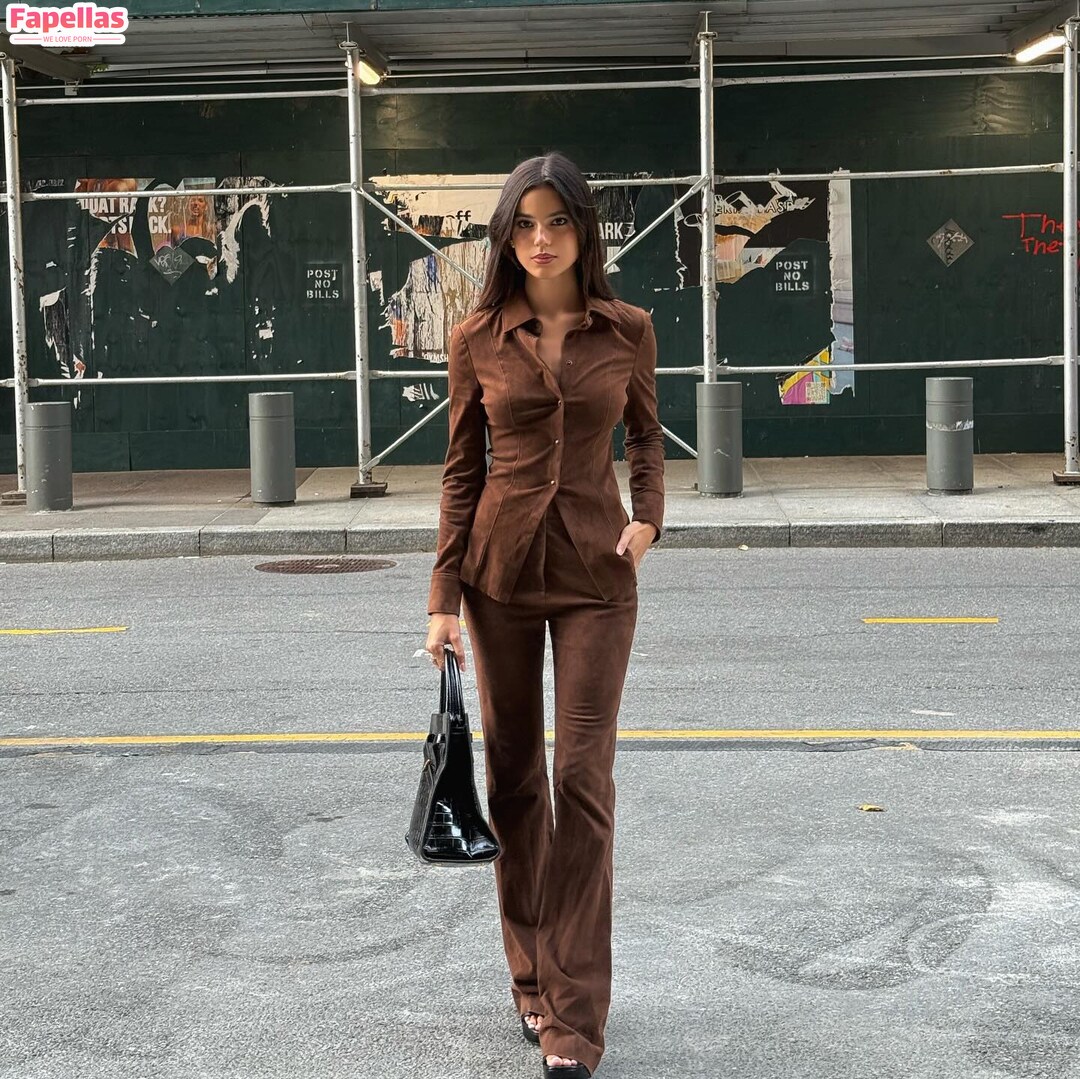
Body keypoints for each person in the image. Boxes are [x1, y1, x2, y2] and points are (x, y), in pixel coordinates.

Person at [424, 151, 665, 1079]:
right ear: (505, 236)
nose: (539, 239)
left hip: (600, 575)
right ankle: (529, 973)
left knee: (583, 781)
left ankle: (574, 1020)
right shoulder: (477, 337)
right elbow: (461, 471)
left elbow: (645, 432)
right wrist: (443, 598)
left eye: (557, 220)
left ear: (583, 229)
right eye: (522, 224)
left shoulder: (629, 328)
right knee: (517, 779)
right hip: (500, 577)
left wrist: (649, 516)